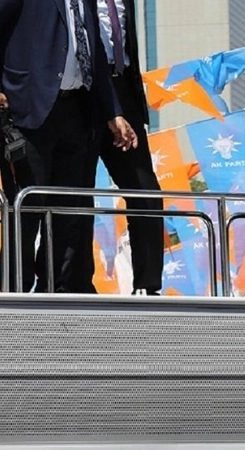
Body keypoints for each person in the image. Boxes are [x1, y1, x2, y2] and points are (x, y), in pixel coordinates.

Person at [0, 0, 137, 292]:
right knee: (28, 207)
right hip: (28, 111)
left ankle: (56, 290)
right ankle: (15, 292)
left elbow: (95, 52)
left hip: (76, 111)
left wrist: (113, 112)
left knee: (68, 209)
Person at [72, 0, 164, 295]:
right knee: (78, 193)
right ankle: (78, 284)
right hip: (81, 92)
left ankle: (148, 285)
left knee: (146, 192)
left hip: (123, 90)